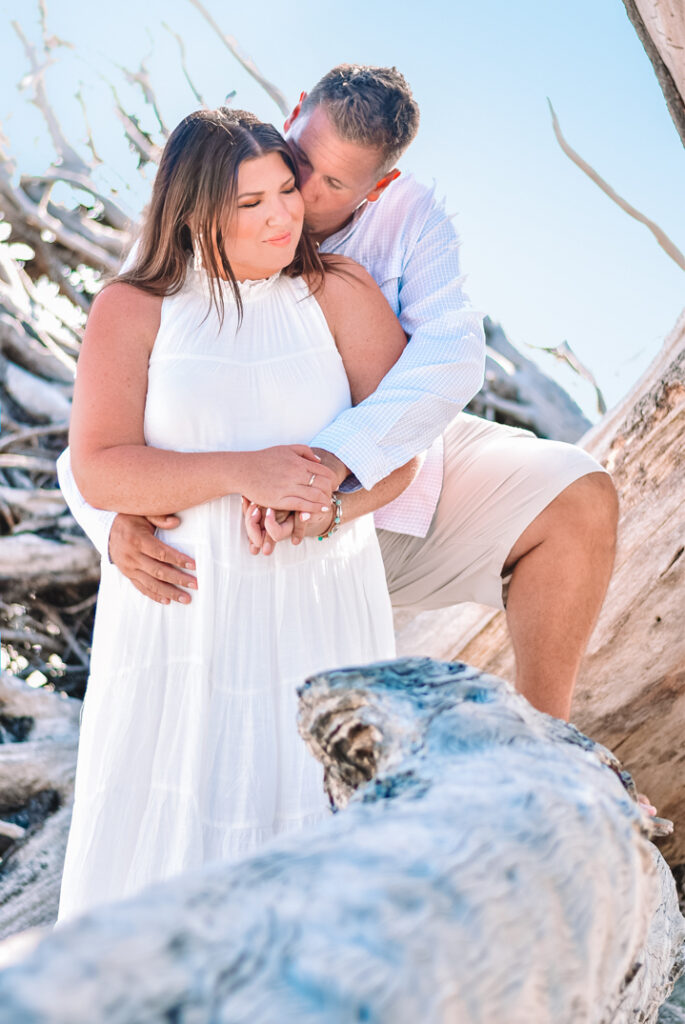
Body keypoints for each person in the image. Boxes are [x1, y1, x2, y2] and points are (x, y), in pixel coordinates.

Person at [57, 64, 619, 727]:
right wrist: (112, 520)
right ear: (293, 112)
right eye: (296, 163)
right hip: (222, 521)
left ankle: (549, 743)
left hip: (379, 464)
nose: (297, 199)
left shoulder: (402, 228)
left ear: (378, 186)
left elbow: (446, 363)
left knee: (576, 495)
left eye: (331, 185)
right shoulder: (207, 212)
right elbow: (103, 432)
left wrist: (332, 469)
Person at [55, 107, 419, 924]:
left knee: (314, 817)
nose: (282, 215)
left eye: (285, 190)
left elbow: (400, 458)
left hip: (318, 609)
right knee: (168, 839)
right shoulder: (136, 306)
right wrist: (240, 471)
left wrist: (326, 510)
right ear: (194, 212)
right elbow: (98, 465)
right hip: (179, 627)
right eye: (250, 203)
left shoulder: (338, 292)